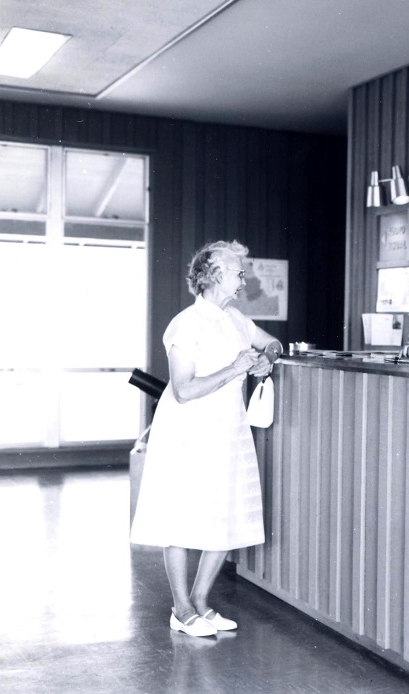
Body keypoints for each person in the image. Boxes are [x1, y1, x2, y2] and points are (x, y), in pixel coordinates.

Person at [130, 240, 282, 637]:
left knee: (227, 515)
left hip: (229, 429)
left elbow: (271, 342)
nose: (243, 278)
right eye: (238, 271)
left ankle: (200, 602)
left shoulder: (235, 319)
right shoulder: (185, 324)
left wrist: (269, 356)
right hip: (189, 432)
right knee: (180, 518)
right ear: (213, 273)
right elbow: (183, 390)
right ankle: (180, 610)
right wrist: (235, 369)